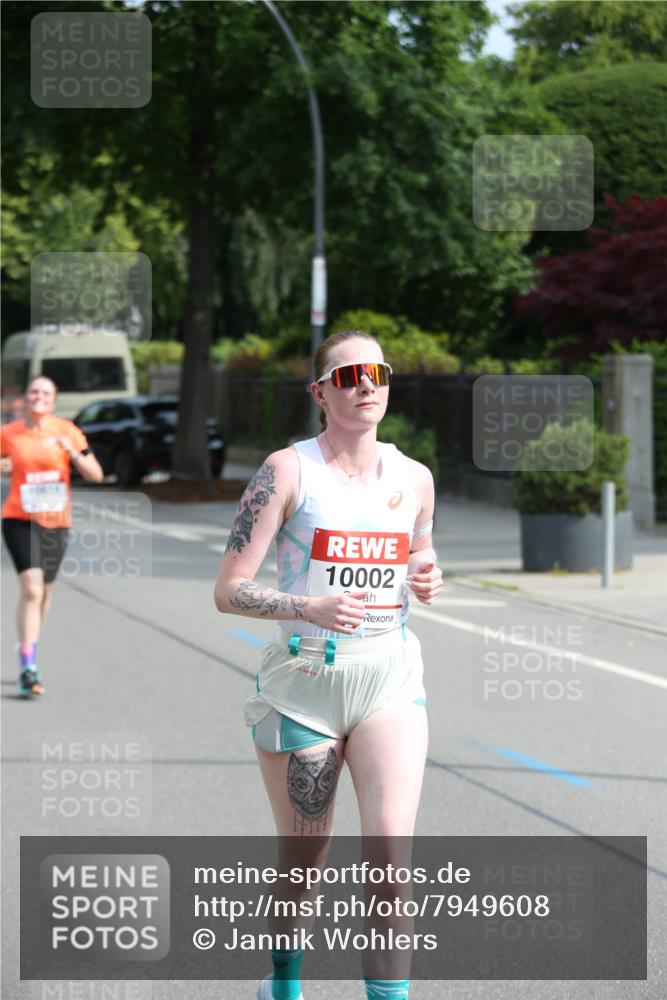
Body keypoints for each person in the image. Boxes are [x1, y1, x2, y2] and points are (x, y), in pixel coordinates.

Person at [214, 330, 443, 1000]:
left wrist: (427, 578)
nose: (365, 384)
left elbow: (422, 557)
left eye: (377, 372)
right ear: (320, 393)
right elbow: (228, 589)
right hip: (303, 684)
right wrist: (304, 606)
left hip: (388, 680)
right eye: (348, 375)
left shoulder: (414, 477)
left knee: (390, 861)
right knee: (305, 862)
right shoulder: (287, 472)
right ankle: (283, 983)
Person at [1, 376, 103, 697]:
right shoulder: (8, 434)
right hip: (19, 518)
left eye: (46, 392)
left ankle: (30, 643)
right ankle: (28, 666)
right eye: (34, 391)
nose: (39, 396)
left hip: (56, 522)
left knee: (44, 592)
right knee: (31, 588)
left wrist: (72, 452)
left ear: (54, 400)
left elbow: (95, 474)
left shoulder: (66, 430)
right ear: (25, 398)